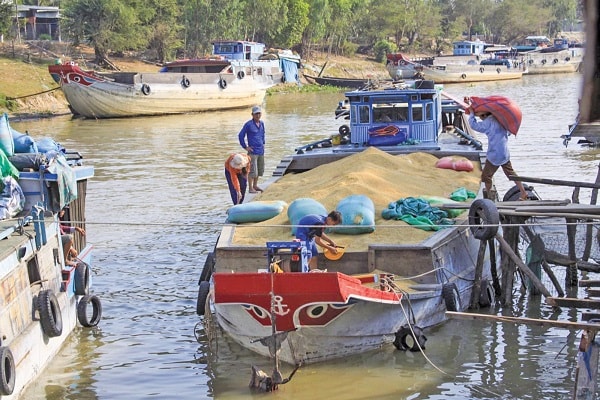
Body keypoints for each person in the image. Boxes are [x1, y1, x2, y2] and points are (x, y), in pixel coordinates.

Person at [468, 108, 528, 201]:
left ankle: (489, 197)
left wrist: (471, 113)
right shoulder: (501, 120)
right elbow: (509, 132)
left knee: (486, 176)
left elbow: (473, 125)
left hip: (494, 154)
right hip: (504, 152)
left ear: (484, 115)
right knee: (511, 174)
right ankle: (523, 192)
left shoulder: (488, 122)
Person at [238, 105, 265, 193]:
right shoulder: (248, 124)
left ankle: (255, 185)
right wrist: (245, 147)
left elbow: (262, 134)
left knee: (260, 170)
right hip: (252, 151)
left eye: (259, 113)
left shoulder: (262, 124)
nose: (257, 115)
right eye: (256, 114)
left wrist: (263, 143)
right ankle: (250, 188)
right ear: (252, 114)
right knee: (252, 170)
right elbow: (241, 135)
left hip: (261, 150)